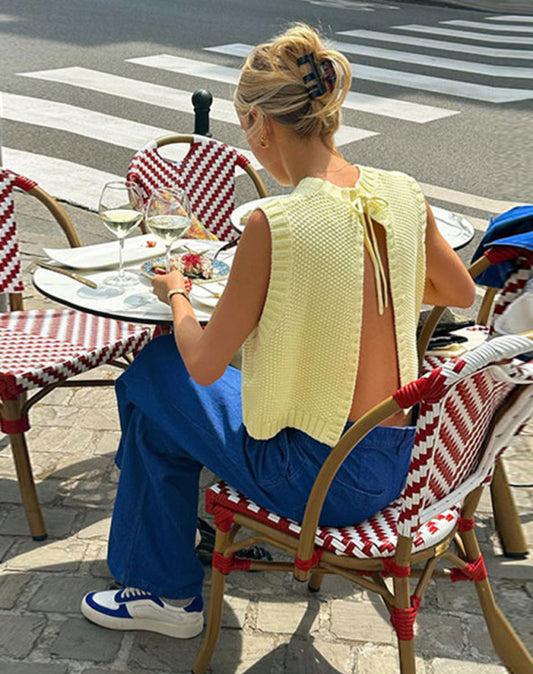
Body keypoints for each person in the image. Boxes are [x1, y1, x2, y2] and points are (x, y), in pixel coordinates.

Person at [81, 24, 476, 638]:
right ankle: (165, 571)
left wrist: (178, 294)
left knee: (155, 370)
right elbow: (460, 293)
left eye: (246, 128)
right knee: (163, 412)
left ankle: (161, 587)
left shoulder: (277, 223)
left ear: (263, 124)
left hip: (318, 479)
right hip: (394, 461)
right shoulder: (401, 192)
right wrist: (357, 289)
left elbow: (206, 364)